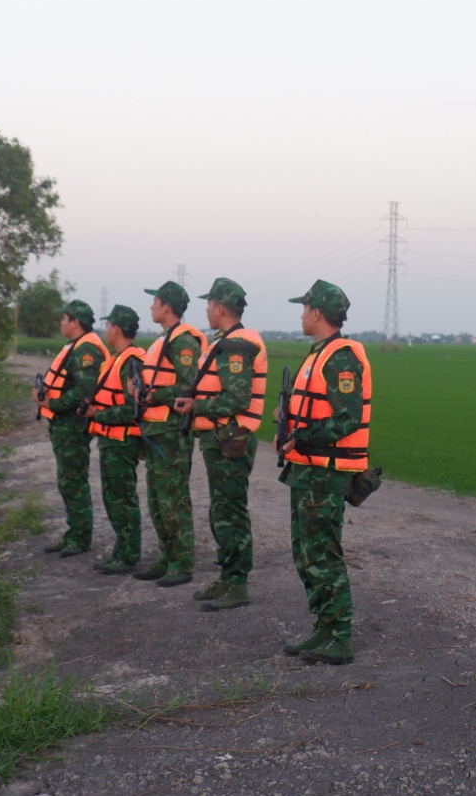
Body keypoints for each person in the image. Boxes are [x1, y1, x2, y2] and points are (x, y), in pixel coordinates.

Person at [276, 280, 372, 665]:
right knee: (305, 552)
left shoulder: (340, 357)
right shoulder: (319, 354)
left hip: (325, 472)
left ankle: (341, 635)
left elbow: (346, 418)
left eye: (304, 309)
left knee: (324, 554)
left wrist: (301, 435)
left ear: (316, 313)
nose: (301, 315)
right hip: (307, 469)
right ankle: (324, 627)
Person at [171, 278, 266, 611]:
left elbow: (237, 399)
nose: (207, 310)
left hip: (230, 440)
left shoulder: (237, 345)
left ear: (220, 307)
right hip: (220, 440)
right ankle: (228, 577)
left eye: (209, 304)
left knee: (230, 513)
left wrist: (197, 406)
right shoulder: (226, 341)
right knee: (220, 511)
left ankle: (238, 584)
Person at [130, 281, 207, 588]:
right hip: (156, 431)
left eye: (155, 302)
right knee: (157, 500)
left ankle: (182, 562)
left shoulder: (183, 341)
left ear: (166, 307)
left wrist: (155, 396)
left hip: (172, 433)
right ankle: (166, 557)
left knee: (173, 500)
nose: (151, 307)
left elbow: (190, 385)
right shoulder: (164, 339)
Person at [37, 300, 106, 557]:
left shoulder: (86, 350)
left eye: (64, 319)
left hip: (73, 424)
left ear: (75, 322)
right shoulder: (75, 347)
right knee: (66, 480)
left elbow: (84, 390)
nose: (60, 323)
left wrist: (53, 403)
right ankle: (73, 533)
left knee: (74, 480)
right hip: (63, 424)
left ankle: (81, 537)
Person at [81, 304, 147, 574]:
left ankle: (129, 554)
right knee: (112, 497)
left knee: (122, 498)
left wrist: (99, 414)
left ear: (116, 328)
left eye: (108, 325)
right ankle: (122, 550)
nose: (105, 329)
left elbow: (133, 409)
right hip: (111, 441)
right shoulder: (116, 359)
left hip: (122, 442)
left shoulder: (131, 362)